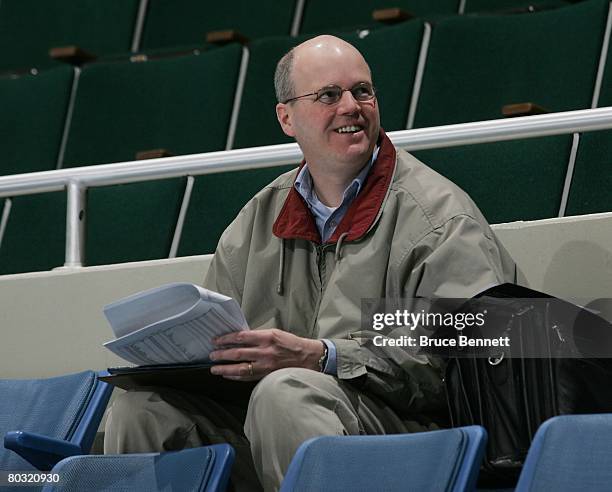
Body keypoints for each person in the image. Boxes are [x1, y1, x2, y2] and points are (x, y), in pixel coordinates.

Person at [104, 35, 515, 491]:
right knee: (142, 410)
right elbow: (219, 346)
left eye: (362, 91)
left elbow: (467, 362)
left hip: (422, 435)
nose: (351, 106)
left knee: (287, 394)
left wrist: (323, 357)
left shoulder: (437, 219)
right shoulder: (257, 221)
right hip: (279, 427)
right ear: (286, 117)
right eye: (328, 95)